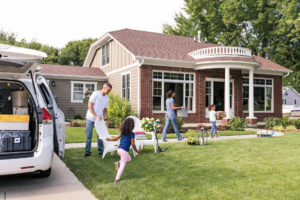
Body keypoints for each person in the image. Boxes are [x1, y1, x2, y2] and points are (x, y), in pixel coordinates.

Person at [106, 118, 141, 183]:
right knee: (123, 166)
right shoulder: (132, 134)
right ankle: (116, 179)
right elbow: (133, 144)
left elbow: (115, 138)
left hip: (119, 149)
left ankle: (118, 163)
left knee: (129, 158)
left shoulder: (122, 132)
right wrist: (136, 150)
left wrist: (110, 139)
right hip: (124, 151)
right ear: (132, 126)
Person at [84, 82, 112, 157]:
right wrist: (95, 116)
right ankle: (87, 152)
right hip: (90, 117)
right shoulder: (95, 94)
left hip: (99, 119)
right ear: (104, 88)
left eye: (110, 91)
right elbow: (90, 105)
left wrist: (106, 119)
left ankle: (100, 150)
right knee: (89, 135)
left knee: (100, 135)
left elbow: (105, 110)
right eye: (108, 90)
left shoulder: (107, 98)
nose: (108, 92)